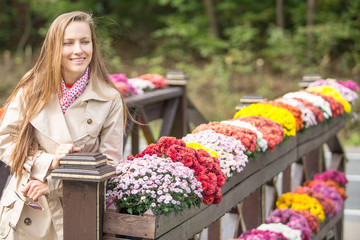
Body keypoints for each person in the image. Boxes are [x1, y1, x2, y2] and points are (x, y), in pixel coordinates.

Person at [0, 11, 126, 240]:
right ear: (54, 47)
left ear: (93, 45)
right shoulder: (31, 87)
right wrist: (49, 161)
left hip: (77, 212)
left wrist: (55, 184)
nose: (78, 50)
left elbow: (110, 165)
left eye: (84, 41)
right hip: (26, 209)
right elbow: (6, 140)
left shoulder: (109, 98)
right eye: (68, 43)